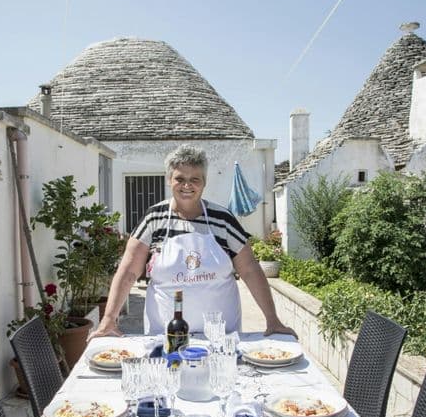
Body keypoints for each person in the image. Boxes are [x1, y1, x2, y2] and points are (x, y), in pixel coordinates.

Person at [89, 145, 296, 340]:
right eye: (180, 178)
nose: (187, 185)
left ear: (204, 182)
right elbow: (128, 271)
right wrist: (108, 320)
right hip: (165, 336)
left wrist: (273, 320)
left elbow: (250, 270)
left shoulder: (223, 220)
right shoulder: (154, 219)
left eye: (195, 179)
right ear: (169, 180)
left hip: (220, 336)